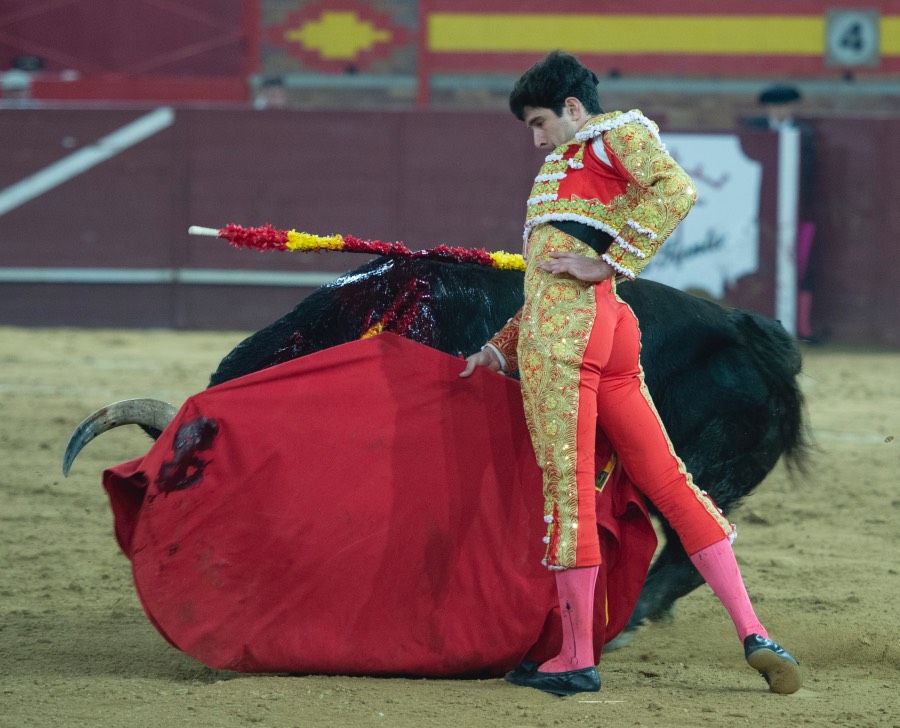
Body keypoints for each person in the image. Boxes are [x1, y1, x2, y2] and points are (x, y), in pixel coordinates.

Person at [460, 51, 801, 697]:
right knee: (671, 483)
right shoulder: (571, 160)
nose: (535, 140)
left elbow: (678, 188)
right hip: (607, 331)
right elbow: (543, 281)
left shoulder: (611, 136)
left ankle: (576, 659)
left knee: (570, 492)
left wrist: (613, 261)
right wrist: (499, 349)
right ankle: (755, 633)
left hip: (572, 337)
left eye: (539, 123)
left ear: (571, 107)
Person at [742, 84, 819, 342]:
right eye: (775, 105)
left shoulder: (803, 135)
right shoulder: (753, 131)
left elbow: (806, 177)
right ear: (767, 108)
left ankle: (803, 329)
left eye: (785, 105)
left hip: (798, 213)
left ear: (793, 107)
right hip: (758, 213)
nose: (780, 110)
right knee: (759, 265)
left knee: (802, 268)